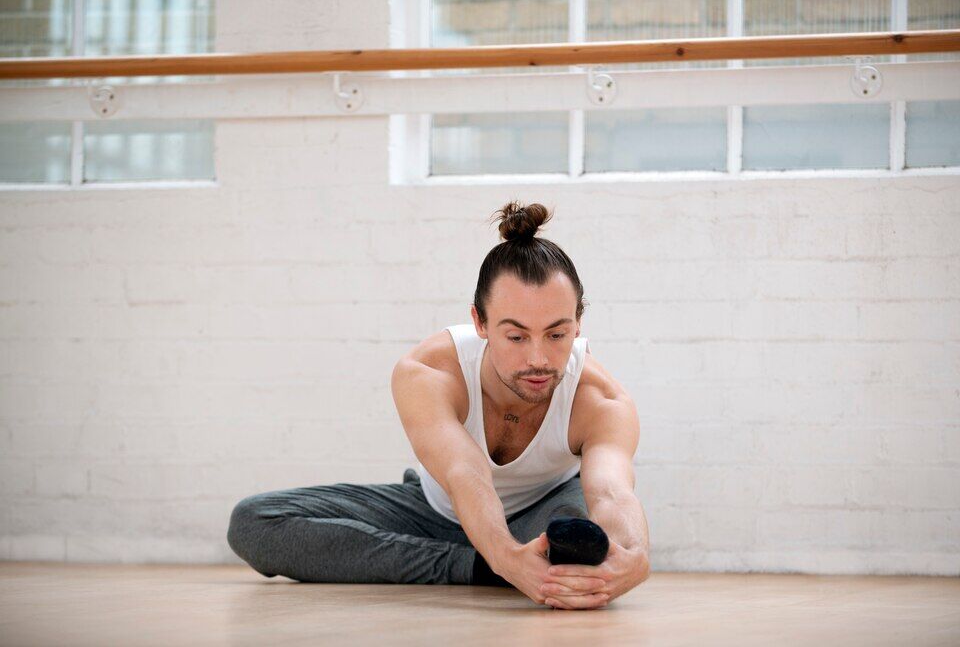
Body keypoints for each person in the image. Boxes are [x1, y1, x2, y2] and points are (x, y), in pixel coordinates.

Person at [227, 201, 650, 611]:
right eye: (516, 337)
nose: (538, 359)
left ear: (578, 323)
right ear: (480, 323)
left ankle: (514, 558)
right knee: (255, 522)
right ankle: (478, 567)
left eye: (557, 335)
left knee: (572, 530)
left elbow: (611, 492)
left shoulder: (601, 400)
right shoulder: (426, 371)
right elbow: (465, 475)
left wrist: (633, 556)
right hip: (436, 509)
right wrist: (502, 558)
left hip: (539, 517)